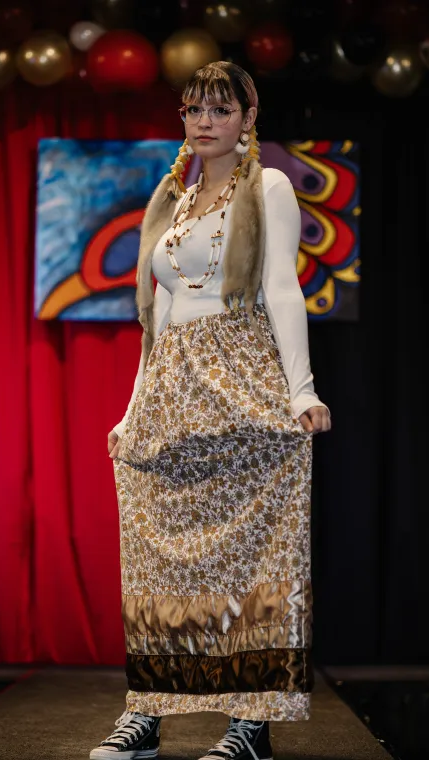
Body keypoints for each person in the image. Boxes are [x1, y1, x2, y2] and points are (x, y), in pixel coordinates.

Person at [91, 61, 331, 760]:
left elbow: (283, 288)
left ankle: (248, 726)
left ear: (247, 117)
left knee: (251, 560)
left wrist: (301, 390)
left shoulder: (268, 185)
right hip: (172, 391)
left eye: (219, 110)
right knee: (157, 562)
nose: (203, 122)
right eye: (193, 109)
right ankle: (148, 710)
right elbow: (157, 318)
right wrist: (133, 409)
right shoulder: (171, 196)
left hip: (242, 380)